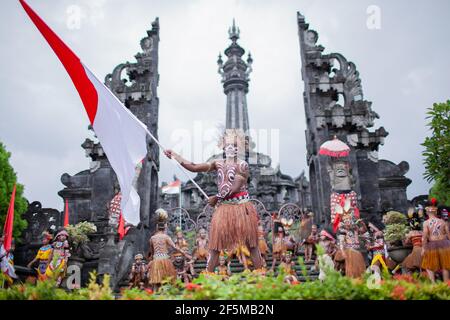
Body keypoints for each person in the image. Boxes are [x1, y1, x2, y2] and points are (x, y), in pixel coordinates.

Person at [164, 129, 263, 272]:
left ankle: (260, 274)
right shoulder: (217, 163)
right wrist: (175, 155)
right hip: (224, 208)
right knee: (215, 245)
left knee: (251, 244)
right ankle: (208, 275)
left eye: (234, 146)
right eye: (228, 145)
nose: (231, 148)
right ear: (222, 146)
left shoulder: (242, 165)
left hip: (242, 207)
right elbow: (194, 167)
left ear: (239, 148)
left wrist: (217, 198)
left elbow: (235, 186)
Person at [147, 209, 190, 290]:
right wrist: (184, 253)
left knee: (156, 280)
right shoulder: (166, 237)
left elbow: (152, 252)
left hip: (156, 260)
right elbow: (174, 247)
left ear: (157, 227)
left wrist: (152, 259)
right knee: (167, 280)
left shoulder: (152, 238)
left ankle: (155, 295)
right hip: (165, 260)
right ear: (165, 227)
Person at [421, 199, 450, 282]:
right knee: (445, 265)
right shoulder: (443, 221)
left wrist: (423, 248)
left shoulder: (426, 223)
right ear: (436, 212)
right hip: (445, 244)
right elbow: (448, 235)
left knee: (429, 265)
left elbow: (425, 236)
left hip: (432, 246)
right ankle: (446, 285)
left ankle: (433, 284)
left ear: (426, 212)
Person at [402, 209, 424, 273]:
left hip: (416, 251)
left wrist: (404, 238)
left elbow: (405, 243)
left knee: (404, 265)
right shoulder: (422, 232)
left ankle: (409, 280)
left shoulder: (410, 233)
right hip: (424, 250)